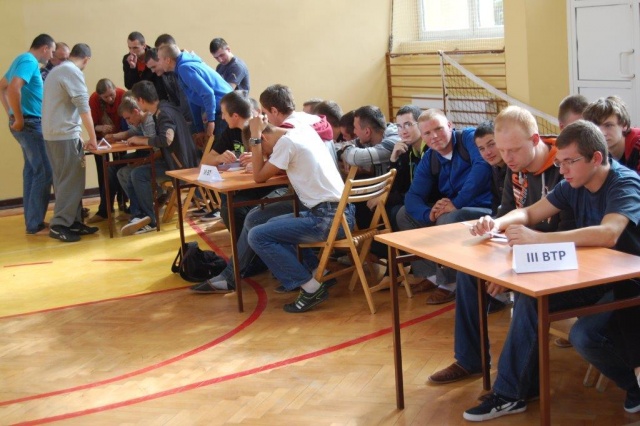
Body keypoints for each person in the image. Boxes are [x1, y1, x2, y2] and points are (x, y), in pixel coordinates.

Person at [462, 119, 640, 421]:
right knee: (531, 298)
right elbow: (530, 212)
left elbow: (609, 233)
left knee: (583, 335)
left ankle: (633, 387)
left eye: (570, 162)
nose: (563, 170)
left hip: (628, 282)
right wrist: (497, 223)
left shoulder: (624, 183)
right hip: (594, 276)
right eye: (560, 162)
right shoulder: (573, 183)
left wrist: (539, 239)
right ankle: (511, 393)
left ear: (596, 158)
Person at [428, 106, 574, 384]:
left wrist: (510, 270)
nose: (507, 158)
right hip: (523, 251)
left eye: (513, 150)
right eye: (502, 150)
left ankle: (519, 383)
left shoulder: (564, 167)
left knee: (523, 293)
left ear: (535, 140)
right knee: (469, 272)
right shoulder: (514, 168)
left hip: (558, 255)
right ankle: (470, 360)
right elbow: (506, 214)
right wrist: (491, 224)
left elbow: (565, 233)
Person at [245, 116, 355, 313]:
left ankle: (311, 289)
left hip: (327, 220)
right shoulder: (303, 131)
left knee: (257, 235)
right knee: (273, 223)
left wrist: (254, 134)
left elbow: (258, 176)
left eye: (266, 152)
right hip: (343, 214)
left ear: (264, 138)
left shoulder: (286, 143)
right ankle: (317, 272)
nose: (268, 157)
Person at [396, 109, 492, 304]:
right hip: (454, 208)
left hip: (487, 209)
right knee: (403, 214)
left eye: (438, 129)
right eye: (427, 133)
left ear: (449, 125)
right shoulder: (430, 157)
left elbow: (481, 168)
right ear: (422, 136)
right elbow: (413, 196)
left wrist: (456, 203)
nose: (434, 136)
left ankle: (450, 283)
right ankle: (433, 276)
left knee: (447, 218)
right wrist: (428, 214)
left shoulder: (468, 138)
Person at [122, 80, 199, 235]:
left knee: (138, 174)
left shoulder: (164, 113)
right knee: (132, 173)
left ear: (141, 100)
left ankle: (150, 219)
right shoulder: (165, 108)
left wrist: (142, 140)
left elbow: (166, 139)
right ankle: (139, 215)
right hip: (177, 161)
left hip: (180, 166)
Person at [42, 43, 98, 242]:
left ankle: (72, 221)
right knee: (71, 182)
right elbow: (83, 107)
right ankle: (60, 224)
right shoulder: (72, 72)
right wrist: (93, 137)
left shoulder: (57, 70)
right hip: (64, 135)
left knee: (64, 180)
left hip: (54, 134)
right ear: (86, 59)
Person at [0, 34, 55, 236]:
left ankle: (33, 221)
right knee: (44, 172)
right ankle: (35, 224)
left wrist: (11, 114)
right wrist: (18, 118)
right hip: (31, 124)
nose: (51, 56)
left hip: (27, 123)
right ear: (45, 48)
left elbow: (2, 86)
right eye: (51, 51)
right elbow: (13, 88)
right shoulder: (29, 61)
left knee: (32, 171)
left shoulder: (21, 59)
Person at [157, 43, 233, 141]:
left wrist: (211, 121)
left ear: (168, 60)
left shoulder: (184, 68)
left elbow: (208, 93)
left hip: (227, 110)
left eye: (159, 59)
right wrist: (199, 129)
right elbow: (193, 99)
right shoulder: (182, 67)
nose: (159, 63)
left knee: (222, 147)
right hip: (222, 109)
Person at [86, 78, 128, 223]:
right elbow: (91, 123)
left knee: (120, 167)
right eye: (106, 97)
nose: (110, 99)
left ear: (115, 89)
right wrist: (101, 128)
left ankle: (123, 202)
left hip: (119, 138)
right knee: (102, 172)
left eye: (112, 95)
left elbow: (127, 121)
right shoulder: (93, 99)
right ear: (100, 96)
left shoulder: (122, 94)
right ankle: (106, 207)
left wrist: (118, 135)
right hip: (101, 140)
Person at [583, 95, 640, 173]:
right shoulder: (594, 150)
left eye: (608, 125)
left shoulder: (637, 145)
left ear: (624, 125)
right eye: (595, 127)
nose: (602, 133)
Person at [122, 31, 166, 100]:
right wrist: (132, 68)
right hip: (138, 96)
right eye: (129, 48)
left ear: (144, 46)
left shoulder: (154, 56)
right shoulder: (127, 59)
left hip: (155, 96)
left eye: (135, 48)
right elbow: (129, 86)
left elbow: (160, 85)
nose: (131, 51)